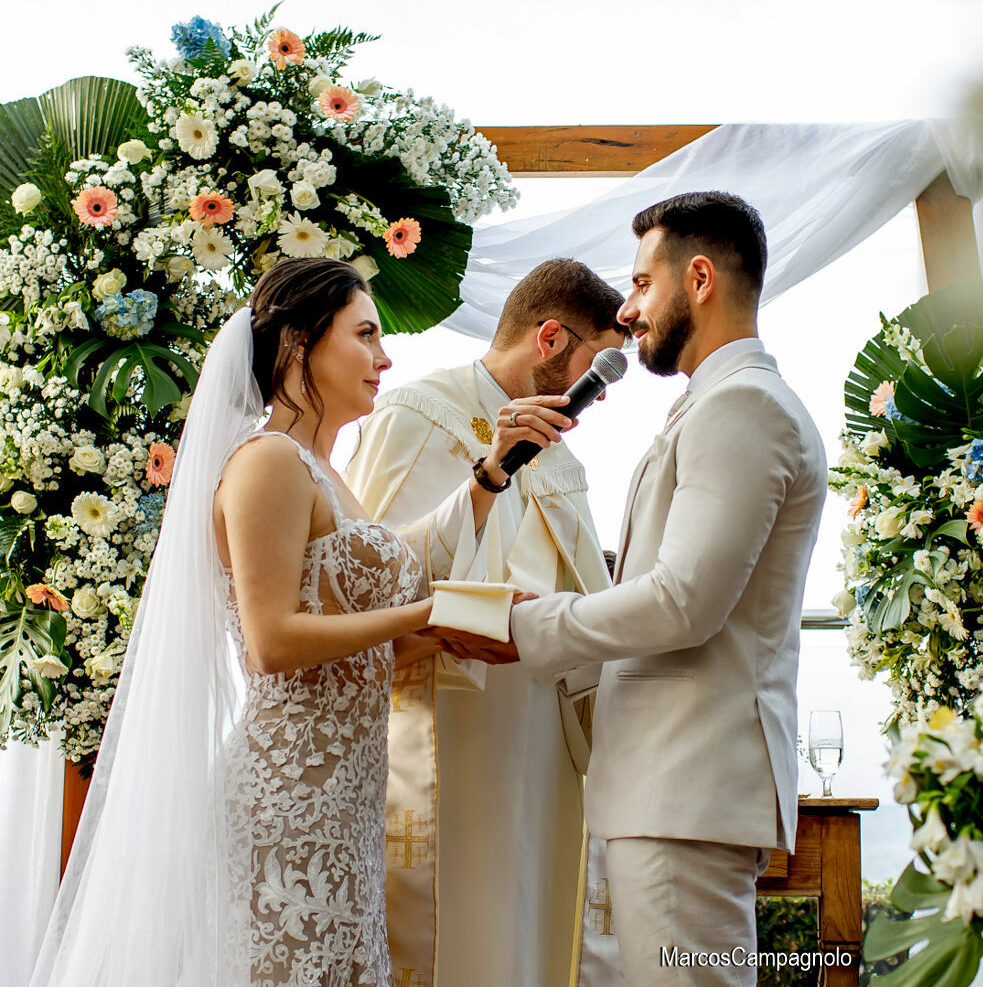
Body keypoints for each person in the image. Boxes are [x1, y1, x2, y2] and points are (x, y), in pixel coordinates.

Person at [29, 257, 569, 987]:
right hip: (285, 802)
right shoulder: (266, 463)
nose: (386, 356)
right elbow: (271, 642)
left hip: (342, 804)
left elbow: (362, 639)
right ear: (298, 344)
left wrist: (457, 600)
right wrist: (431, 610)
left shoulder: (325, 472)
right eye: (366, 334)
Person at [437, 193, 828, 986]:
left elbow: (684, 602)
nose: (628, 308)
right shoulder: (719, 405)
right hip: (669, 786)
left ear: (699, 278)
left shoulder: (742, 407)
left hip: (685, 784)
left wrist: (526, 627)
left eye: (642, 284)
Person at [344, 257, 628, 987]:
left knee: (531, 934)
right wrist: (487, 478)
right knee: (456, 937)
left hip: (546, 732)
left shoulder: (560, 458)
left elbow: (576, 579)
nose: (596, 393)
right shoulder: (420, 412)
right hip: (453, 720)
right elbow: (371, 575)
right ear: (550, 339)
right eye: (596, 364)